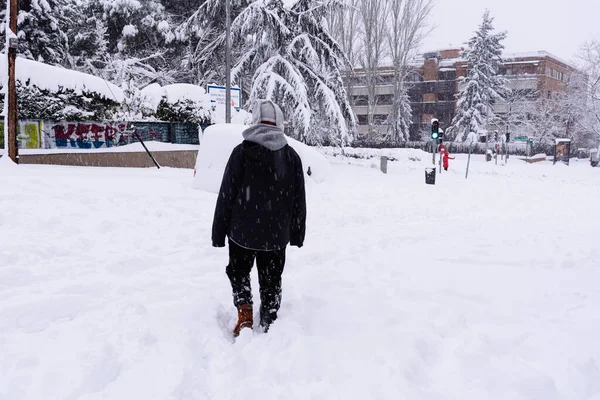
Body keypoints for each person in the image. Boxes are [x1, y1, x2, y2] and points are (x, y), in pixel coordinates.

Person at [212, 99, 307, 337]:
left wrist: (218, 233)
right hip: (276, 237)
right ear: (280, 123)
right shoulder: (291, 156)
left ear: (254, 121)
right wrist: (296, 233)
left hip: (241, 233)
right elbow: (298, 200)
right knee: (272, 279)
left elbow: (226, 195)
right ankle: (269, 321)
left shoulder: (241, 153)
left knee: (239, 271)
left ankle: (244, 314)